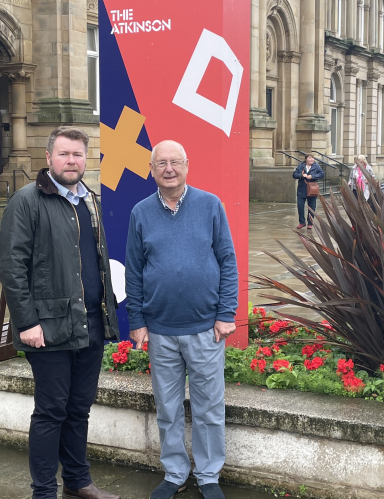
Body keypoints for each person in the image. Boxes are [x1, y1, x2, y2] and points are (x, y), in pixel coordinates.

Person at [0, 126, 121, 499]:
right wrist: (27, 322)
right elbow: (11, 264)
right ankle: (44, 492)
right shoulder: (27, 200)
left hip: (89, 323)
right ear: (49, 158)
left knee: (79, 408)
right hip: (48, 328)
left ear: (87, 159)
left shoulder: (90, 201)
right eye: (64, 154)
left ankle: (78, 483)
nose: (72, 161)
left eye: (78, 155)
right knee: (51, 411)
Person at [125, 140, 238, 499]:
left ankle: (208, 476)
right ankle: (175, 472)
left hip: (206, 328)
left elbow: (228, 262)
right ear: (152, 168)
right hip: (160, 331)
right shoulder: (140, 212)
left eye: (175, 162)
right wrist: (137, 320)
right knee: (168, 409)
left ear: (187, 165)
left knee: (208, 408)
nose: (169, 168)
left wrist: (225, 313)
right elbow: (134, 270)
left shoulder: (210, 205)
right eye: (161, 163)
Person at [292, 154, 325, 230]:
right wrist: (301, 175)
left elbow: (321, 174)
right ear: (306, 159)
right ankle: (302, 222)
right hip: (301, 189)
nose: (312, 160)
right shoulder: (301, 166)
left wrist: (312, 176)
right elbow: (294, 175)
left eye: (313, 158)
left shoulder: (316, 166)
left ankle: (310, 223)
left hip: (312, 189)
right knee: (300, 206)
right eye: (310, 158)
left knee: (312, 207)